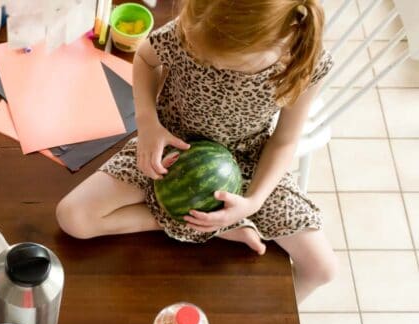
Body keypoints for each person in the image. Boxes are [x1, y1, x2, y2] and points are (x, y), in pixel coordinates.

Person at [56, 0, 336, 302]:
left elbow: (283, 141)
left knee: (322, 269)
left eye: (224, 63)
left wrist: (252, 202)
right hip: (172, 148)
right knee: (73, 217)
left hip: (249, 163)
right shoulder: (192, 28)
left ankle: (206, 224)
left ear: (279, 39)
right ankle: (204, 227)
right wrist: (148, 123)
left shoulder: (304, 63)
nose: (210, 64)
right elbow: (146, 60)